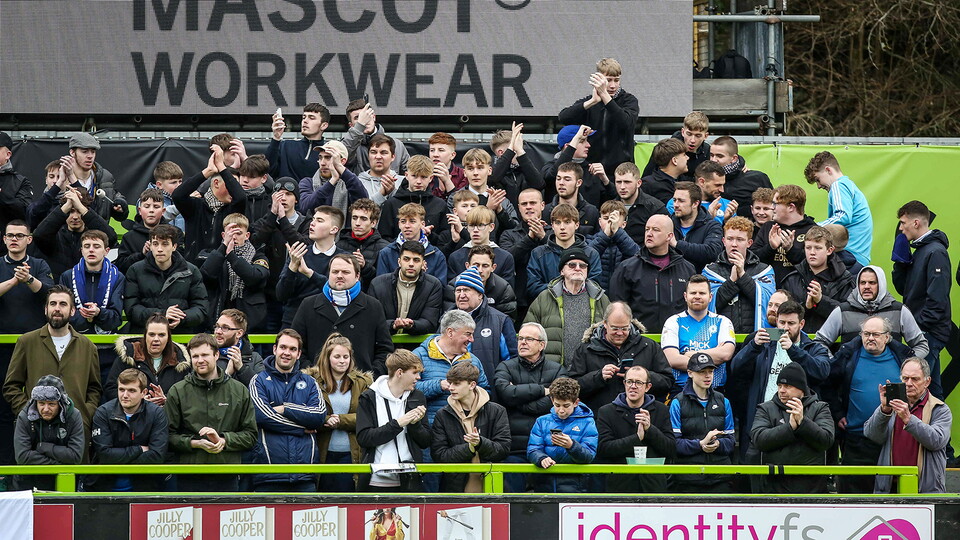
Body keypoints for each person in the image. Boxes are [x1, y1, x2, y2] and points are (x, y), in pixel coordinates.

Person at [729, 300, 831, 462]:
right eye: (781, 322)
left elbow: (821, 371)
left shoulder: (814, 348)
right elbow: (735, 368)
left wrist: (793, 350)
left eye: (791, 323)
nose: (785, 328)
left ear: (802, 324)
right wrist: (752, 346)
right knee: (756, 475)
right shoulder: (763, 345)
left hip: (799, 419)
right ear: (776, 321)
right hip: (764, 417)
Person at [828, 316, 916, 493]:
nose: (870, 338)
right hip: (856, 438)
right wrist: (837, 413)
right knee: (852, 494)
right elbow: (828, 384)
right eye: (866, 333)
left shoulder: (903, 358)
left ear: (887, 336)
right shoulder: (848, 355)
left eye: (875, 334)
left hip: (892, 439)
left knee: (890, 496)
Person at [165, 333, 256, 492]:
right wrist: (195, 443)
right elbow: (168, 436)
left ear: (216, 355)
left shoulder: (238, 390)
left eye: (205, 355)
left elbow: (251, 435)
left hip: (227, 474)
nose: (200, 360)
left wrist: (224, 440)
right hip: (189, 474)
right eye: (195, 356)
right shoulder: (177, 391)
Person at [3, 285, 101, 430]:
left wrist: (85, 414)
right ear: (45, 309)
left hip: (75, 430)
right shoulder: (26, 342)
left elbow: (94, 388)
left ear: (72, 310)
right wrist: (28, 412)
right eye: (52, 304)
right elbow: (11, 386)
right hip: (36, 430)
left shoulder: (87, 346)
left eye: (63, 304)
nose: (57, 308)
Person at [249, 329, 327, 492]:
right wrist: (301, 427)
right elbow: (263, 416)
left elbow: (319, 416)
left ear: (299, 354)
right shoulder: (259, 381)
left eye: (292, 349)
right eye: (283, 347)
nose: (287, 353)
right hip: (269, 473)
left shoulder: (310, 382)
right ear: (274, 349)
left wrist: (285, 408)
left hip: (304, 474)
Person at [493, 322, 567, 492]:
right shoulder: (505, 366)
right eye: (520, 338)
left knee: (547, 507)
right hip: (514, 447)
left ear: (542, 345)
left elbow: (557, 402)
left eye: (529, 339)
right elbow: (505, 394)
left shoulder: (557, 370)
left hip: (548, 448)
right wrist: (542, 390)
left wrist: (518, 400)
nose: (522, 342)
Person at [292, 254, 394, 375]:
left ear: (357, 276)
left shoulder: (373, 306)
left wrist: (369, 377)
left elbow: (384, 349)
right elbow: (296, 345)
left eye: (345, 272)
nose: (339, 276)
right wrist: (311, 373)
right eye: (335, 272)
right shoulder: (308, 305)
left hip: (360, 387)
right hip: (317, 385)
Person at [864, 357, 952, 494]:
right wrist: (884, 410)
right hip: (889, 488)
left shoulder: (939, 409)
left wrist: (908, 419)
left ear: (927, 381)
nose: (909, 383)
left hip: (924, 490)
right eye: (905, 379)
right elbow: (871, 435)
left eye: (915, 379)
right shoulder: (892, 405)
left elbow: (937, 441)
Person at [568, 302, 673, 411]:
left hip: (640, 416)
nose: (619, 333)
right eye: (614, 328)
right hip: (598, 419)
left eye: (624, 328)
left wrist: (640, 376)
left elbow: (667, 382)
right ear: (605, 323)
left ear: (631, 323)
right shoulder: (586, 349)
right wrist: (598, 377)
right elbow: (571, 387)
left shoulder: (649, 346)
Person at [893, 200, 950, 400]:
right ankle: (938, 432)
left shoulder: (936, 252)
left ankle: (936, 432)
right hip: (923, 333)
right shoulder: (920, 251)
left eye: (903, 222)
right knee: (932, 393)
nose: (900, 228)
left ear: (916, 223)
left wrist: (920, 329)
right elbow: (903, 289)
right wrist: (900, 263)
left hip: (928, 334)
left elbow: (937, 299)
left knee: (921, 394)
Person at [750, 362, 835, 494]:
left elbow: (826, 440)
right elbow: (759, 439)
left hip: (812, 486)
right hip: (774, 485)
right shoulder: (766, 408)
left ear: (801, 388)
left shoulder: (820, 408)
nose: (781, 390)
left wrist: (803, 422)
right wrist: (790, 428)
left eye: (787, 386)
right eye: (779, 386)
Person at [304, 333, 373, 492]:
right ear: (327, 358)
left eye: (345, 356)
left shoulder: (362, 382)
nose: (342, 360)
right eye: (337, 356)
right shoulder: (311, 381)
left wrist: (340, 420)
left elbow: (368, 417)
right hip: (321, 453)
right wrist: (325, 420)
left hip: (351, 455)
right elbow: (305, 413)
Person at [355, 350, 431, 492]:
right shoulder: (369, 397)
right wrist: (398, 423)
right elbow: (364, 438)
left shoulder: (418, 396)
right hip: (376, 480)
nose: (418, 377)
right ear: (400, 372)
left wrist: (415, 424)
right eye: (414, 373)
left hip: (410, 479)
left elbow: (425, 441)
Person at [609, 214, 696, 333]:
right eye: (647, 229)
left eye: (656, 230)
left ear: (669, 236)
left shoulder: (687, 269)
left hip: (677, 341)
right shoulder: (627, 268)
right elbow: (617, 307)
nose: (649, 233)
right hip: (638, 343)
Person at [431, 362, 511, 493]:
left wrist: (480, 443)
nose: (451, 388)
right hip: (454, 489)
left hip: (491, 485)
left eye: (456, 384)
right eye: (450, 383)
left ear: (472, 385)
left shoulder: (497, 411)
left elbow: (503, 449)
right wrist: (469, 448)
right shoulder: (442, 414)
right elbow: (439, 455)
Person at [815, 265, 928, 357]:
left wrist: (906, 365)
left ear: (881, 284)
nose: (866, 287)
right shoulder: (842, 311)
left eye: (872, 283)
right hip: (850, 381)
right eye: (862, 283)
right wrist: (833, 363)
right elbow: (819, 342)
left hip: (890, 379)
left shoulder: (899, 311)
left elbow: (921, 345)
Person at [596, 365, 675, 493]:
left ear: (648, 387)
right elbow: (603, 449)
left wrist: (650, 429)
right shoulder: (606, 412)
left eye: (638, 382)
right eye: (629, 382)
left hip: (653, 487)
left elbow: (671, 449)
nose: (633, 386)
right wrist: (636, 438)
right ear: (624, 383)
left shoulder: (661, 410)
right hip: (619, 487)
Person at [525, 248, 609, 366]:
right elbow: (528, 335)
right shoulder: (544, 298)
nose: (578, 268)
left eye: (583, 265)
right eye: (572, 265)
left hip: (590, 371)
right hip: (552, 371)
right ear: (562, 271)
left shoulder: (601, 298)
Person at [557, 58, 639, 176]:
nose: (613, 85)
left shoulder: (629, 100)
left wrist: (605, 96)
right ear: (598, 79)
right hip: (593, 169)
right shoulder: (591, 101)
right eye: (608, 80)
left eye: (617, 80)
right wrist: (592, 101)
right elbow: (563, 117)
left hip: (620, 171)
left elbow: (625, 123)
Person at [91, 369, 168, 492]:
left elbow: (157, 456)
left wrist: (118, 456)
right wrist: (139, 449)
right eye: (121, 389)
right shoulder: (103, 412)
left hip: (144, 488)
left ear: (143, 393)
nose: (125, 395)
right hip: (104, 487)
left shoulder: (156, 414)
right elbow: (104, 455)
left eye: (131, 390)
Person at [250, 177, 311, 331]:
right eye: (279, 194)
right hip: (269, 295)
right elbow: (255, 241)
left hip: (297, 294)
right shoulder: (266, 221)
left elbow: (300, 244)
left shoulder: (306, 223)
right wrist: (273, 216)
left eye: (288, 194)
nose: (283, 198)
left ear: (296, 199)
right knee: (270, 336)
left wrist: (283, 219)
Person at [669, 353, 735, 493]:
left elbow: (730, 440)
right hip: (688, 478)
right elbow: (673, 444)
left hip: (720, 476)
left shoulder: (723, 401)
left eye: (710, 371)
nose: (707, 376)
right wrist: (700, 444)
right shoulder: (677, 403)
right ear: (690, 373)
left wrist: (718, 444)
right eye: (702, 372)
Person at [123, 224, 208, 333]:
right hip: (145, 335)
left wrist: (181, 318)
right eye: (155, 244)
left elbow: (201, 308)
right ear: (150, 246)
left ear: (174, 246)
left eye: (165, 244)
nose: (159, 249)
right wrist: (162, 315)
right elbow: (131, 309)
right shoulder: (135, 270)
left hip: (180, 333)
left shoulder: (191, 271)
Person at [661, 275, 737, 397]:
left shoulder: (723, 321)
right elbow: (672, 359)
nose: (697, 296)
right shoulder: (673, 321)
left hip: (715, 390)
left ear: (710, 297)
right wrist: (712, 356)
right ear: (685, 296)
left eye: (702, 293)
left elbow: (725, 354)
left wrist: (690, 354)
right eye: (693, 293)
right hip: (681, 390)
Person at [413, 310, 491, 426]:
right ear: (450, 332)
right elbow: (407, 390)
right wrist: (438, 385)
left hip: (464, 432)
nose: (472, 339)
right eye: (468, 334)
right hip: (430, 430)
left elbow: (485, 393)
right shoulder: (419, 356)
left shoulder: (474, 361)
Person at [275, 206, 349, 328]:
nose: (312, 224)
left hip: (329, 324)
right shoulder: (298, 254)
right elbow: (281, 295)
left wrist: (309, 273)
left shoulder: (344, 258)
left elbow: (340, 292)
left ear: (334, 229)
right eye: (313, 219)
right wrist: (292, 268)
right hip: (294, 323)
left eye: (319, 221)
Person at [171, 144, 247, 262]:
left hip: (224, 269)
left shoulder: (232, 209)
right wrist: (208, 171)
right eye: (231, 184)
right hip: (195, 269)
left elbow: (241, 197)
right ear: (216, 183)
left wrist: (221, 166)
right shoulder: (195, 206)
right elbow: (177, 195)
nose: (234, 189)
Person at [449, 267, 517, 395]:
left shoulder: (501, 321)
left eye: (466, 290)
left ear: (480, 295)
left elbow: (512, 360)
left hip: (490, 393)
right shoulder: (446, 320)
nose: (461, 295)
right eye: (458, 290)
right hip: (452, 393)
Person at [702, 217, 776, 333]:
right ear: (723, 241)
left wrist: (742, 275)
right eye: (730, 239)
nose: (734, 244)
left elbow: (768, 303)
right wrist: (731, 281)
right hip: (720, 340)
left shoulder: (764, 270)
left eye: (740, 240)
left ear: (749, 243)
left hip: (754, 340)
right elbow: (707, 305)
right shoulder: (710, 271)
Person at [526, 377, 598, 493]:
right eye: (557, 405)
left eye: (566, 406)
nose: (561, 410)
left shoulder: (588, 422)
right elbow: (533, 449)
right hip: (545, 484)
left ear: (576, 403)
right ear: (551, 400)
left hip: (576, 485)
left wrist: (572, 446)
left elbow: (589, 455)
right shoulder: (541, 421)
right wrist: (541, 458)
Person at [200, 213, 270, 331]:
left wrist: (231, 256)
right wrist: (223, 248)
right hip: (219, 318)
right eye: (230, 233)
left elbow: (254, 277)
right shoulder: (215, 255)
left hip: (250, 321)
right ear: (223, 235)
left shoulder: (258, 256)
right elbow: (206, 275)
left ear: (247, 235)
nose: (234, 237)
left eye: (238, 233)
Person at [12, 375, 84, 490]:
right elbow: (22, 457)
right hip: (28, 481)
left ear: (61, 404)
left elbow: (75, 456)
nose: (45, 409)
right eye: (41, 403)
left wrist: (44, 447)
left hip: (63, 481)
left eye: (51, 404)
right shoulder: (25, 416)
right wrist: (60, 465)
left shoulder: (74, 416)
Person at [781, 225, 855, 332]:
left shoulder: (845, 280)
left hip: (832, 346)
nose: (812, 252)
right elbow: (782, 317)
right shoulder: (792, 279)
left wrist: (821, 301)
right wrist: (805, 307)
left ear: (829, 250)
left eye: (818, 248)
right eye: (808, 247)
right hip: (794, 344)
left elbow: (849, 316)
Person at [805, 151, 873, 266]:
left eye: (817, 179)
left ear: (828, 170)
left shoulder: (838, 185)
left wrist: (813, 227)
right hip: (859, 256)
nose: (819, 186)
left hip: (849, 255)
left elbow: (843, 215)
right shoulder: (849, 185)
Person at [33, 185, 117, 276]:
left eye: (79, 211)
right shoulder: (55, 236)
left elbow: (111, 238)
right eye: (71, 211)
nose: (75, 217)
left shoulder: (94, 237)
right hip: (60, 288)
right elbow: (39, 235)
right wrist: (66, 206)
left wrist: (81, 206)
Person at [105, 313, 189, 403]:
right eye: (152, 334)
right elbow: (111, 389)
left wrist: (167, 400)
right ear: (145, 336)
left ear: (168, 338)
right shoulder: (127, 357)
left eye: (161, 335)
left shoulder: (180, 362)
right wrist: (138, 401)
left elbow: (187, 394)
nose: (156, 339)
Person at [526, 203, 602, 300]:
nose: (562, 227)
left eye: (567, 222)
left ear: (577, 225)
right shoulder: (538, 253)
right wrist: (565, 287)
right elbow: (533, 288)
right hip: (548, 308)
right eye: (558, 222)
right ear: (552, 226)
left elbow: (595, 287)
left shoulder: (591, 254)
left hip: (581, 308)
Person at [369, 241, 443, 335]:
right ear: (399, 261)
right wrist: (393, 325)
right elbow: (372, 320)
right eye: (406, 259)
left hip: (416, 346)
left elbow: (430, 322)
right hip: (384, 344)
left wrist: (412, 325)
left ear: (423, 264)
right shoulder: (377, 284)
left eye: (416, 260)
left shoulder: (433, 285)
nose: (411, 264)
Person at [749, 184, 817, 284]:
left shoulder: (813, 231)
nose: (772, 208)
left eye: (775, 204)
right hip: (770, 290)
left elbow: (815, 266)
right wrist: (770, 248)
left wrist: (791, 250)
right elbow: (752, 260)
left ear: (791, 207)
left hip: (799, 293)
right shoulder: (768, 227)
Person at [446, 148, 519, 238]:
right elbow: (454, 230)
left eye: (480, 168)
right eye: (470, 169)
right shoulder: (455, 198)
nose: (475, 173)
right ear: (465, 172)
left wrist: (500, 210)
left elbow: (515, 231)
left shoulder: (501, 200)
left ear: (489, 170)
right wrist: (488, 209)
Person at [540, 126, 615, 209]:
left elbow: (611, 201)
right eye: (582, 141)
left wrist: (606, 181)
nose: (588, 145)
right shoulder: (550, 166)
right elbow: (551, 176)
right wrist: (576, 140)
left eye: (587, 141)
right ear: (568, 146)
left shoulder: (592, 170)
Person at [379, 154, 449, 243]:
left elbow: (446, 238)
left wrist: (430, 235)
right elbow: (384, 237)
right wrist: (403, 240)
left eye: (423, 177)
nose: (418, 181)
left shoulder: (440, 205)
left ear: (431, 178)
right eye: (414, 176)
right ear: (406, 175)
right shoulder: (391, 204)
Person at [59, 133, 128, 224]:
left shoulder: (104, 176)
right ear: (72, 152)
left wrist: (121, 205)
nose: (90, 156)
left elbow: (116, 202)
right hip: (69, 236)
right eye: (84, 151)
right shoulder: (61, 177)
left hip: (98, 235)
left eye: (93, 151)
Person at [0, 220, 55, 333]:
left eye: (20, 235)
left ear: (29, 239)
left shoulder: (40, 264)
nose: (14, 239)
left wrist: (28, 279)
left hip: (34, 335)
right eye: (10, 235)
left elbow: (50, 294)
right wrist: (13, 281)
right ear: (4, 239)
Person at [499, 188, 549, 311]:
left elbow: (561, 256)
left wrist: (543, 237)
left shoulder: (554, 233)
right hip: (519, 300)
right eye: (524, 204)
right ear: (519, 207)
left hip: (549, 297)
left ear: (542, 205)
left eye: (533, 203)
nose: (528, 207)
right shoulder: (508, 234)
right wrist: (530, 238)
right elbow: (507, 260)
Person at [376, 202, 448, 284]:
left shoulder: (436, 255)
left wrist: (423, 277)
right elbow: (381, 286)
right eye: (403, 221)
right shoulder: (387, 253)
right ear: (399, 224)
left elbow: (440, 289)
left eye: (412, 221)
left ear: (422, 224)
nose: (407, 225)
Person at [446, 206, 516, 287]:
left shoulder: (505, 257)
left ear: (491, 227)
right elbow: (452, 289)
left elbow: (507, 291)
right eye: (471, 225)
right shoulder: (455, 257)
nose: (475, 230)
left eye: (481, 225)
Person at [444, 245, 518, 321]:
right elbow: (448, 319)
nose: (480, 270)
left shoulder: (503, 288)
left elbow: (507, 321)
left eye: (485, 266)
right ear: (467, 266)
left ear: (493, 267)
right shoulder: (454, 286)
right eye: (476, 265)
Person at [708, 136, 773, 219]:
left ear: (734, 158)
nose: (713, 160)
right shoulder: (704, 178)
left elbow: (772, 207)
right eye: (711, 155)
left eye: (719, 156)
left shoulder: (757, 178)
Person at [297, 140, 366, 217]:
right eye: (320, 158)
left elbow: (363, 201)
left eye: (328, 158)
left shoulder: (350, 184)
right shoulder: (307, 182)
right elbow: (305, 209)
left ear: (342, 161)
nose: (322, 163)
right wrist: (332, 181)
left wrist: (340, 168)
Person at [116, 188, 178, 274]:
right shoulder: (129, 237)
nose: (151, 210)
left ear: (163, 211)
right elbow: (121, 266)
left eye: (156, 206)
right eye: (147, 206)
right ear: (140, 210)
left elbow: (181, 263)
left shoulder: (175, 234)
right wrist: (141, 255)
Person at [342, 100, 410, 176]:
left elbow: (411, 175)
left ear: (374, 117)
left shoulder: (398, 145)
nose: (364, 120)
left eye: (366, 115)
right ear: (351, 125)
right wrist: (359, 126)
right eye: (357, 117)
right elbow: (339, 158)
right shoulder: (349, 145)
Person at [668, 182, 723, 272]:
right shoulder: (668, 223)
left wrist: (677, 244)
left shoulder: (712, 226)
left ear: (695, 203)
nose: (676, 205)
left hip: (699, 281)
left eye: (681, 201)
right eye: (674, 200)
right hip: (671, 279)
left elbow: (711, 253)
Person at [267, 103, 330, 180]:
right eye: (304, 117)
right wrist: (276, 138)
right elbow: (267, 172)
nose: (305, 121)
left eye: (311, 118)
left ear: (324, 125)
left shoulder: (329, 150)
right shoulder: (285, 146)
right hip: (286, 191)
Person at [642, 111, 711, 182]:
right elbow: (647, 177)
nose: (692, 140)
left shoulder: (707, 151)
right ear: (683, 132)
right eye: (689, 134)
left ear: (705, 136)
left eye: (698, 136)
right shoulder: (666, 149)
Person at [337, 198, 390, 289]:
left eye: (363, 219)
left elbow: (385, 282)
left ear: (373, 223)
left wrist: (365, 266)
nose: (357, 223)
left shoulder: (384, 248)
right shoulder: (339, 245)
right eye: (354, 218)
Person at [588, 200, 640, 290]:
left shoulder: (628, 242)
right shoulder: (589, 240)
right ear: (600, 222)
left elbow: (637, 257)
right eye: (606, 218)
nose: (610, 222)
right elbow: (587, 258)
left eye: (614, 218)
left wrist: (617, 232)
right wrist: (605, 236)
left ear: (624, 224)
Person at [489, 123, 544, 206]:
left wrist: (521, 152)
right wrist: (511, 149)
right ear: (501, 153)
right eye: (516, 148)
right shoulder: (490, 171)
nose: (519, 150)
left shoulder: (525, 168)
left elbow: (539, 184)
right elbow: (493, 178)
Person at [541, 160, 601, 235]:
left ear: (579, 183)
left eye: (567, 179)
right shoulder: (545, 212)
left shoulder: (591, 212)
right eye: (558, 179)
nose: (561, 183)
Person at [614, 162, 668, 246]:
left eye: (627, 182)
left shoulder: (655, 208)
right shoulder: (610, 207)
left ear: (639, 183)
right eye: (618, 182)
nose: (622, 187)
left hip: (644, 257)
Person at [212, 309, 264, 386]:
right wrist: (227, 374)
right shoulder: (209, 356)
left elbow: (261, 388)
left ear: (239, 333)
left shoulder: (255, 358)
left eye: (225, 328)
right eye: (217, 326)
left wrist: (241, 368)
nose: (218, 331)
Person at [0, 132, 33, 240]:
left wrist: (2, 195)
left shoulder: (20, 181)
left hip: (8, 246)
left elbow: (25, 212)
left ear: (8, 154)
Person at [356, 134, 403, 205]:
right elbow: (360, 212)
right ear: (368, 156)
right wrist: (381, 195)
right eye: (373, 152)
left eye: (383, 153)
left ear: (393, 157)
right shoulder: (358, 183)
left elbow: (407, 211)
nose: (378, 157)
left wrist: (393, 192)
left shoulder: (403, 182)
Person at [639, 139, 688, 205]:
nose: (687, 158)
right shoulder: (648, 185)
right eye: (684, 155)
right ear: (674, 160)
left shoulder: (684, 181)